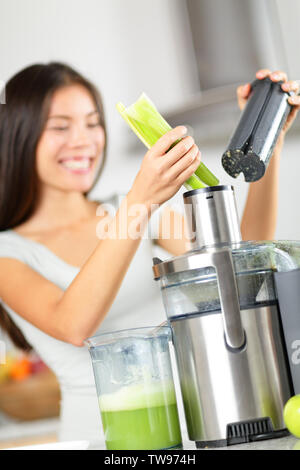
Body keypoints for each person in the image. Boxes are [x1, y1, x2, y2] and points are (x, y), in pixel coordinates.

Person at [0, 63, 298, 442]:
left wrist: (265, 147)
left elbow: (239, 265)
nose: (84, 140)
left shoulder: (127, 211)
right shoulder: (9, 252)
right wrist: (139, 203)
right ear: (17, 136)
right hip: (102, 438)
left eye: (93, 123)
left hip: (185, 431)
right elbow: (74, 324)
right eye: (61, 126)